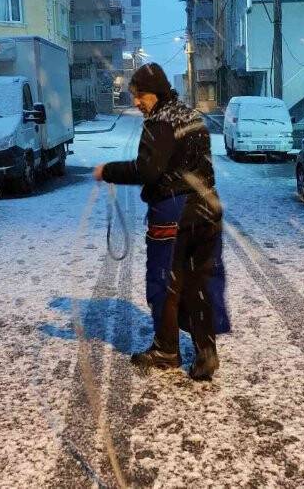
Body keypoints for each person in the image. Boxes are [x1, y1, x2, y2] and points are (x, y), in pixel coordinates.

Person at [93, 63, 228, 381]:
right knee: (197, 283)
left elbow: (147, 170)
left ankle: (166, 351)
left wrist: (108, 170)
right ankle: (205, 351)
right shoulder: (191, 117)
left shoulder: (159, 123)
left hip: (173, 213)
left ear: (155, 94)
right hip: (207, 211)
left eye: (139, 95)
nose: (137, 102)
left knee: (163, 285)